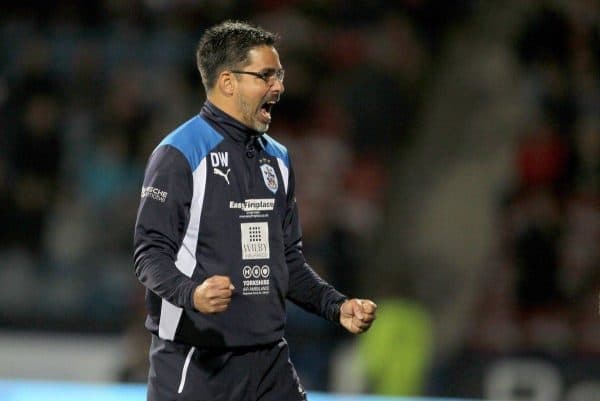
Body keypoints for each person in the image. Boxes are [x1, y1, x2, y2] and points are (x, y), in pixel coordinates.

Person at [133, 20, 377, 401]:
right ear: (228, 82)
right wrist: (192, 294)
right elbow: (149, 254)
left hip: (269, 361)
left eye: (279, 74)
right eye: (266, 75)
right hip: (198, 362)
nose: (279, 86)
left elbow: (287, 261)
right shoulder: (180, 154)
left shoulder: (277, 159)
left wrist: (336, 305)